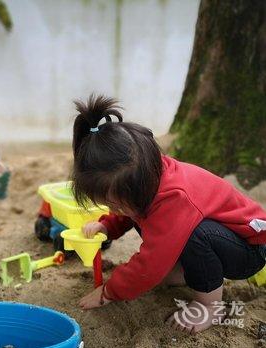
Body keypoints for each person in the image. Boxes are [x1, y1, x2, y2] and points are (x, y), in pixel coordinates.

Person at [71, 94, 266, 334]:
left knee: (196, 234)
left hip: (249, 249)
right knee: (147, 216)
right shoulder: (147, 176)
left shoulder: (175, 198)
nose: (114, 211)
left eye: (116, 206)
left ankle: (210, 306)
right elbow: (134, 214)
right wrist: (108, 225)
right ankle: (184, 270)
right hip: (219, 236)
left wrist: (109, 292)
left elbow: (149, 265)